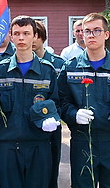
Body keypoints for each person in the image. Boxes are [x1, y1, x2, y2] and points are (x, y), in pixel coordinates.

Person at [58, 13, 110, 188]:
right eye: (87, 31)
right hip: (82, 140)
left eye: (97, 31)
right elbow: (61, 102)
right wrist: (73, 114)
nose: (91, 35)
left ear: (106, 34)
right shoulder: (70, 67)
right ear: (81, 34)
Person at [0, 16, 61, 188]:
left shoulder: (47, 71)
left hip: (38, 145)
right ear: (11, 36)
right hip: (7, 146)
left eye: (26, 33)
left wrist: (53, 118)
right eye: (17, 33)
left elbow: (57, 103)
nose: (21, 38)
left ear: (35, 36)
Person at [32, 20, 65, 188]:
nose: (31, 40)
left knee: (51, 167)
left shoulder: (58, 64)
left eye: (35, 35)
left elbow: (63, 95)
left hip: (51, 124)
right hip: (28, 124)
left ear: (42, 38)